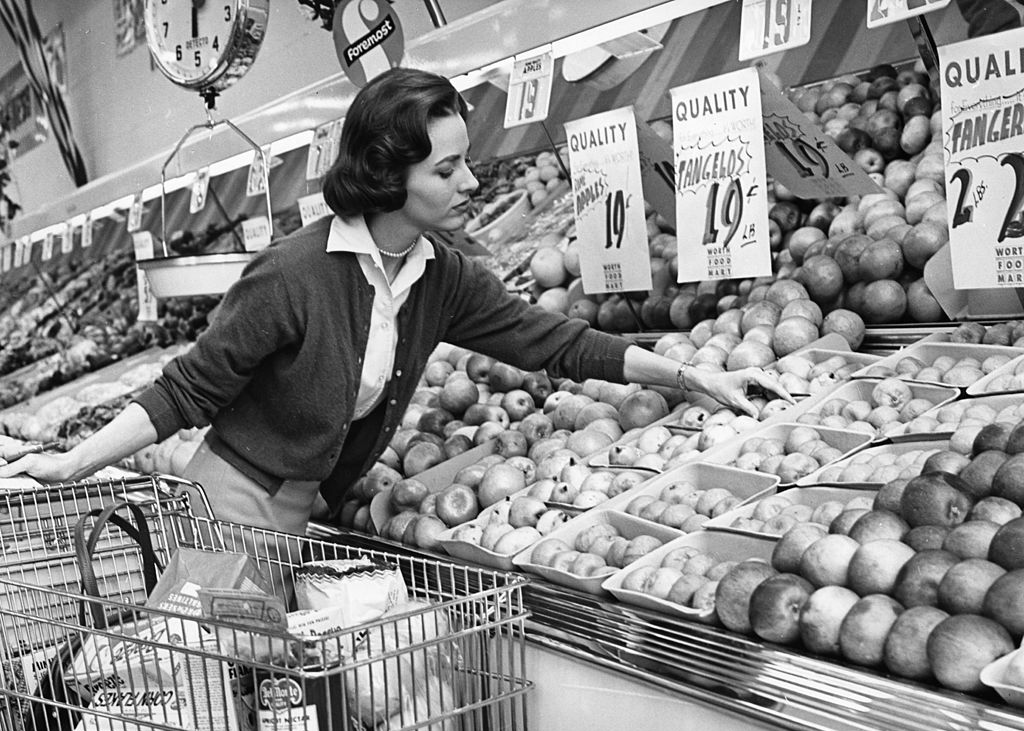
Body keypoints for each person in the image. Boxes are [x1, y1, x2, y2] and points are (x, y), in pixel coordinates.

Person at [0, 67, 790, 541]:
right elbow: (185, 389)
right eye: (447, 171)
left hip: (307, 512)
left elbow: (555, 341)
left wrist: (695, 377)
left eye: (466, 164)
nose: (470, 183)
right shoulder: (293, 274)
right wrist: (72, 463)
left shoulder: (440, 275)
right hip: (228, 504)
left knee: (278, 712)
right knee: (221, 709)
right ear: (387, 174)